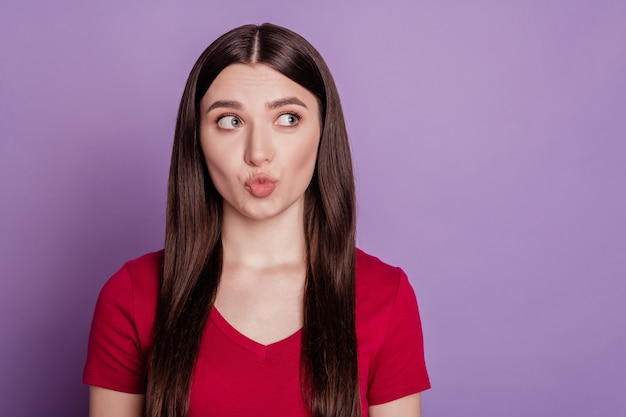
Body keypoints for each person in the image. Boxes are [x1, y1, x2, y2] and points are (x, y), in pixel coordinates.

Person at [83, 23, 430, 417]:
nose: (258, 153)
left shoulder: (386, 296)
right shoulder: (131, 295)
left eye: (287, 118)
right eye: (230, 121)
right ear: (196, 138)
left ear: (323, 131)